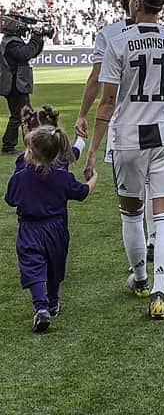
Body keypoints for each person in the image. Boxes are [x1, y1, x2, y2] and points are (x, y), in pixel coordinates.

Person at [82, 0, 164, 321]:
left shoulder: (118, 41)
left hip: (129, 136)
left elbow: (107, 102)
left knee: (131, 213)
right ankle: (160, 291)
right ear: (163, 4)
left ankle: (141, 279)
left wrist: (93, 149)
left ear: (135, 1)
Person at [5, 125, 98, 332]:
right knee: (55, 267)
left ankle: (41, 307)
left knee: (33, 267)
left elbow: (10, 199)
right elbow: (81, 192)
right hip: (57, 230)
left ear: (32, 152)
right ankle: (52, 301)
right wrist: (93, 179)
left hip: (30, 229)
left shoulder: (22, 176)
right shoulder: (62, 176)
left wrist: (18, 171)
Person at [73, 0, 135, 142]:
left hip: (122, 118)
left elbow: (96, 78)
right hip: (161, 120)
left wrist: (82, 115)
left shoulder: (108, 34)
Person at [1, 18, 47, 155]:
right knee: (21, 116)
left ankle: (28, 144)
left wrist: (38, 40)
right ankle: (12, 146)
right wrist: (35, 38)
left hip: (14, 84)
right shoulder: (12, 43)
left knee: (21, 115)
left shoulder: (10, 41)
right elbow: (25, 54)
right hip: (15, 84)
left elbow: (30, 53)